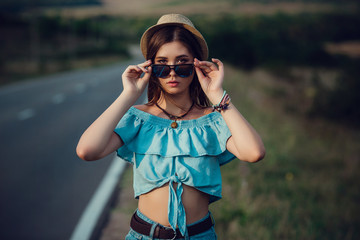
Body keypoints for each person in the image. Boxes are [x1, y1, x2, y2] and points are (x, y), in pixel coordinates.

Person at [76, 13, 265, 240]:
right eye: (162, 65)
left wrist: (217, 95)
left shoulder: (213, 120)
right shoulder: (139, 118)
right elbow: (87, 150)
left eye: (182, 63)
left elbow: (254, 152)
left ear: (197, 65)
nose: (172, 72)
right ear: (150, 68)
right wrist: (128, 95)